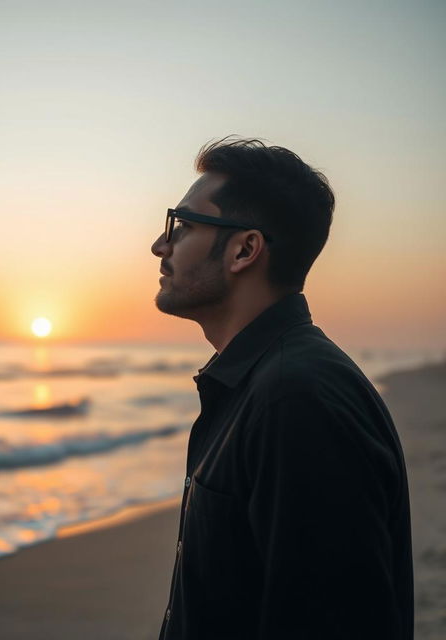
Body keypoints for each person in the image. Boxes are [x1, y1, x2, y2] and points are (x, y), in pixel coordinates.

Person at [150, 137, 414, 639]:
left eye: (181, 226)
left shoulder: (298, 399)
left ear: (244, 249)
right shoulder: (261, 382)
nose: (160, 246)